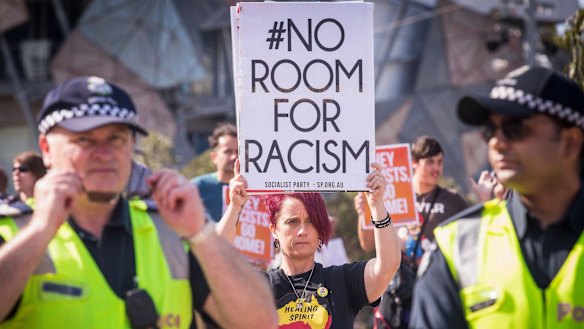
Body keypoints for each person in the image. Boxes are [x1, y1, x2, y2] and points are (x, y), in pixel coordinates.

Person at [0, 76, 277, 328]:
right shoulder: (12, 231)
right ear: (46, 149)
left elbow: (259, 323)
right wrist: (39, 232)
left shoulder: (171, 233)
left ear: (131, 146)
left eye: (116, 138)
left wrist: (201, 232)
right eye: (84, 140)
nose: (105, 153)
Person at [410, 66, 584, 328]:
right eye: (490, 130)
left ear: (570, 143)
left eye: (515, 128)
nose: (497, 142)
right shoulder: (456, 247)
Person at [220, 161, 402, 328]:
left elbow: (388, 265)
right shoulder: (258, 286)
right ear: (274, 229)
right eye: (292, 222)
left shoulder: (343, 281)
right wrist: (235, 206)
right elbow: (212, 264)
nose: (302, 231)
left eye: (311, 222)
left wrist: (377, 204)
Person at [356, 136, 468, 328]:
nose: (437, 168)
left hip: (435, 288)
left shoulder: (452, 200)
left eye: (440, 162)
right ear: (414, 164)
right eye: (430, 162)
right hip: (396, 291)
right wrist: (363, 213)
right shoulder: (389, 193)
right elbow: (367, 244)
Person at [191, 122, 238, 222]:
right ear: (214, 157)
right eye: (227, 151)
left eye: (238, 152)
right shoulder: (196, 188)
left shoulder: (253, 192)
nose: (234, 156)